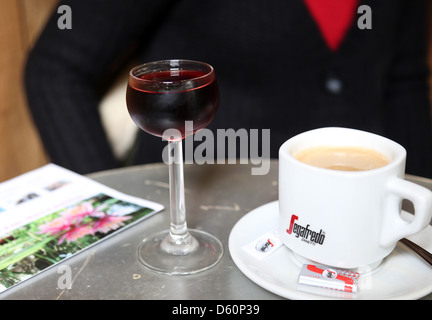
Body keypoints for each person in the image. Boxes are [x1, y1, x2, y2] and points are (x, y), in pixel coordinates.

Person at [25, 0, 432, 178]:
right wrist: (114, 210)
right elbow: (57, 68)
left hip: (362, 210)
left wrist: (417, 205)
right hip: (206, 209)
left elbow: (404, 80)